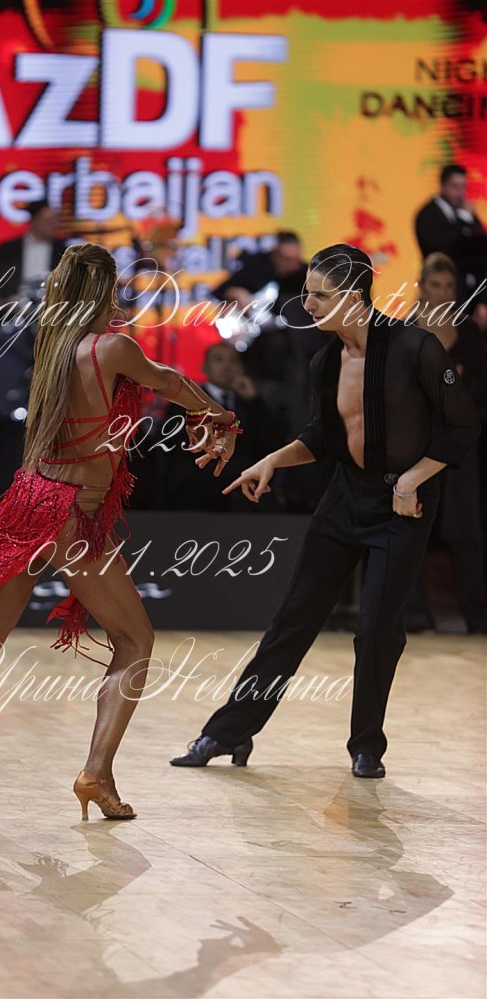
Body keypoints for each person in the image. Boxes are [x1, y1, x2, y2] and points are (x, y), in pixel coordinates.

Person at [0, 242, 241, 819]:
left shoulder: (53, 344)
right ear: (104, 290)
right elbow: (168, 380)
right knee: (135, 641)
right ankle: (97, 773)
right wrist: (219, 414)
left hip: (29, 499)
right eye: (115, 287)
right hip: (74, 513)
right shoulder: (112, 346)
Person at [170, 243, 480, 779]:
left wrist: (411, 480)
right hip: (346, 497)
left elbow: (462, 427)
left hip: (403, 505)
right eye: (308, 293)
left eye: (320, 295)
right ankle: (230, 731)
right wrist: (271, 460)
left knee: (377, 630)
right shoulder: (325, 361)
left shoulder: (415, 348)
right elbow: (323, 437)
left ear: (354, 298)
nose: (307, 305)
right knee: (293, 618)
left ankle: (366, 746)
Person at [405, 253, 487, 634]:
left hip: (459, 446)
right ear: (422, 286)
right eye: (435, 285)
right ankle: (415, 616)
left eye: (449, 286)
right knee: (411, 525)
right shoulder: (405, 332)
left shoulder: (469, 334)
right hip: (415, 444)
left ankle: (477, 617)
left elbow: (480, 392)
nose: (442, 293)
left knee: (465, 529)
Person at [155, 342, 284, 512]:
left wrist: (253, 399)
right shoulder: (186, 402)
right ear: (205, 367)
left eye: (233, 360)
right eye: (218, 360)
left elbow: (272, 442)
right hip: (196, 495)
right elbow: (177, 450)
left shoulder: (249, 403)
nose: (227, 366)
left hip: (244, 498)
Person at [414, 164, 487, 327]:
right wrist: (465, 219)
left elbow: (482, 251)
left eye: (463, 187)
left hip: (473, 297)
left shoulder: (466, 215)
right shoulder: (428, 215)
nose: (460, 192)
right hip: (443, 296)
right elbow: (447, 251)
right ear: (442, 185)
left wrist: (483, 299)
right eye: (455, 186)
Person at [0, 198, 66, 300]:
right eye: (47, 221)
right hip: (14, 306)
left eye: (55, 221)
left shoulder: (63, 251)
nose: (52, 225)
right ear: (34, 220)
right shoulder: (8, 249)